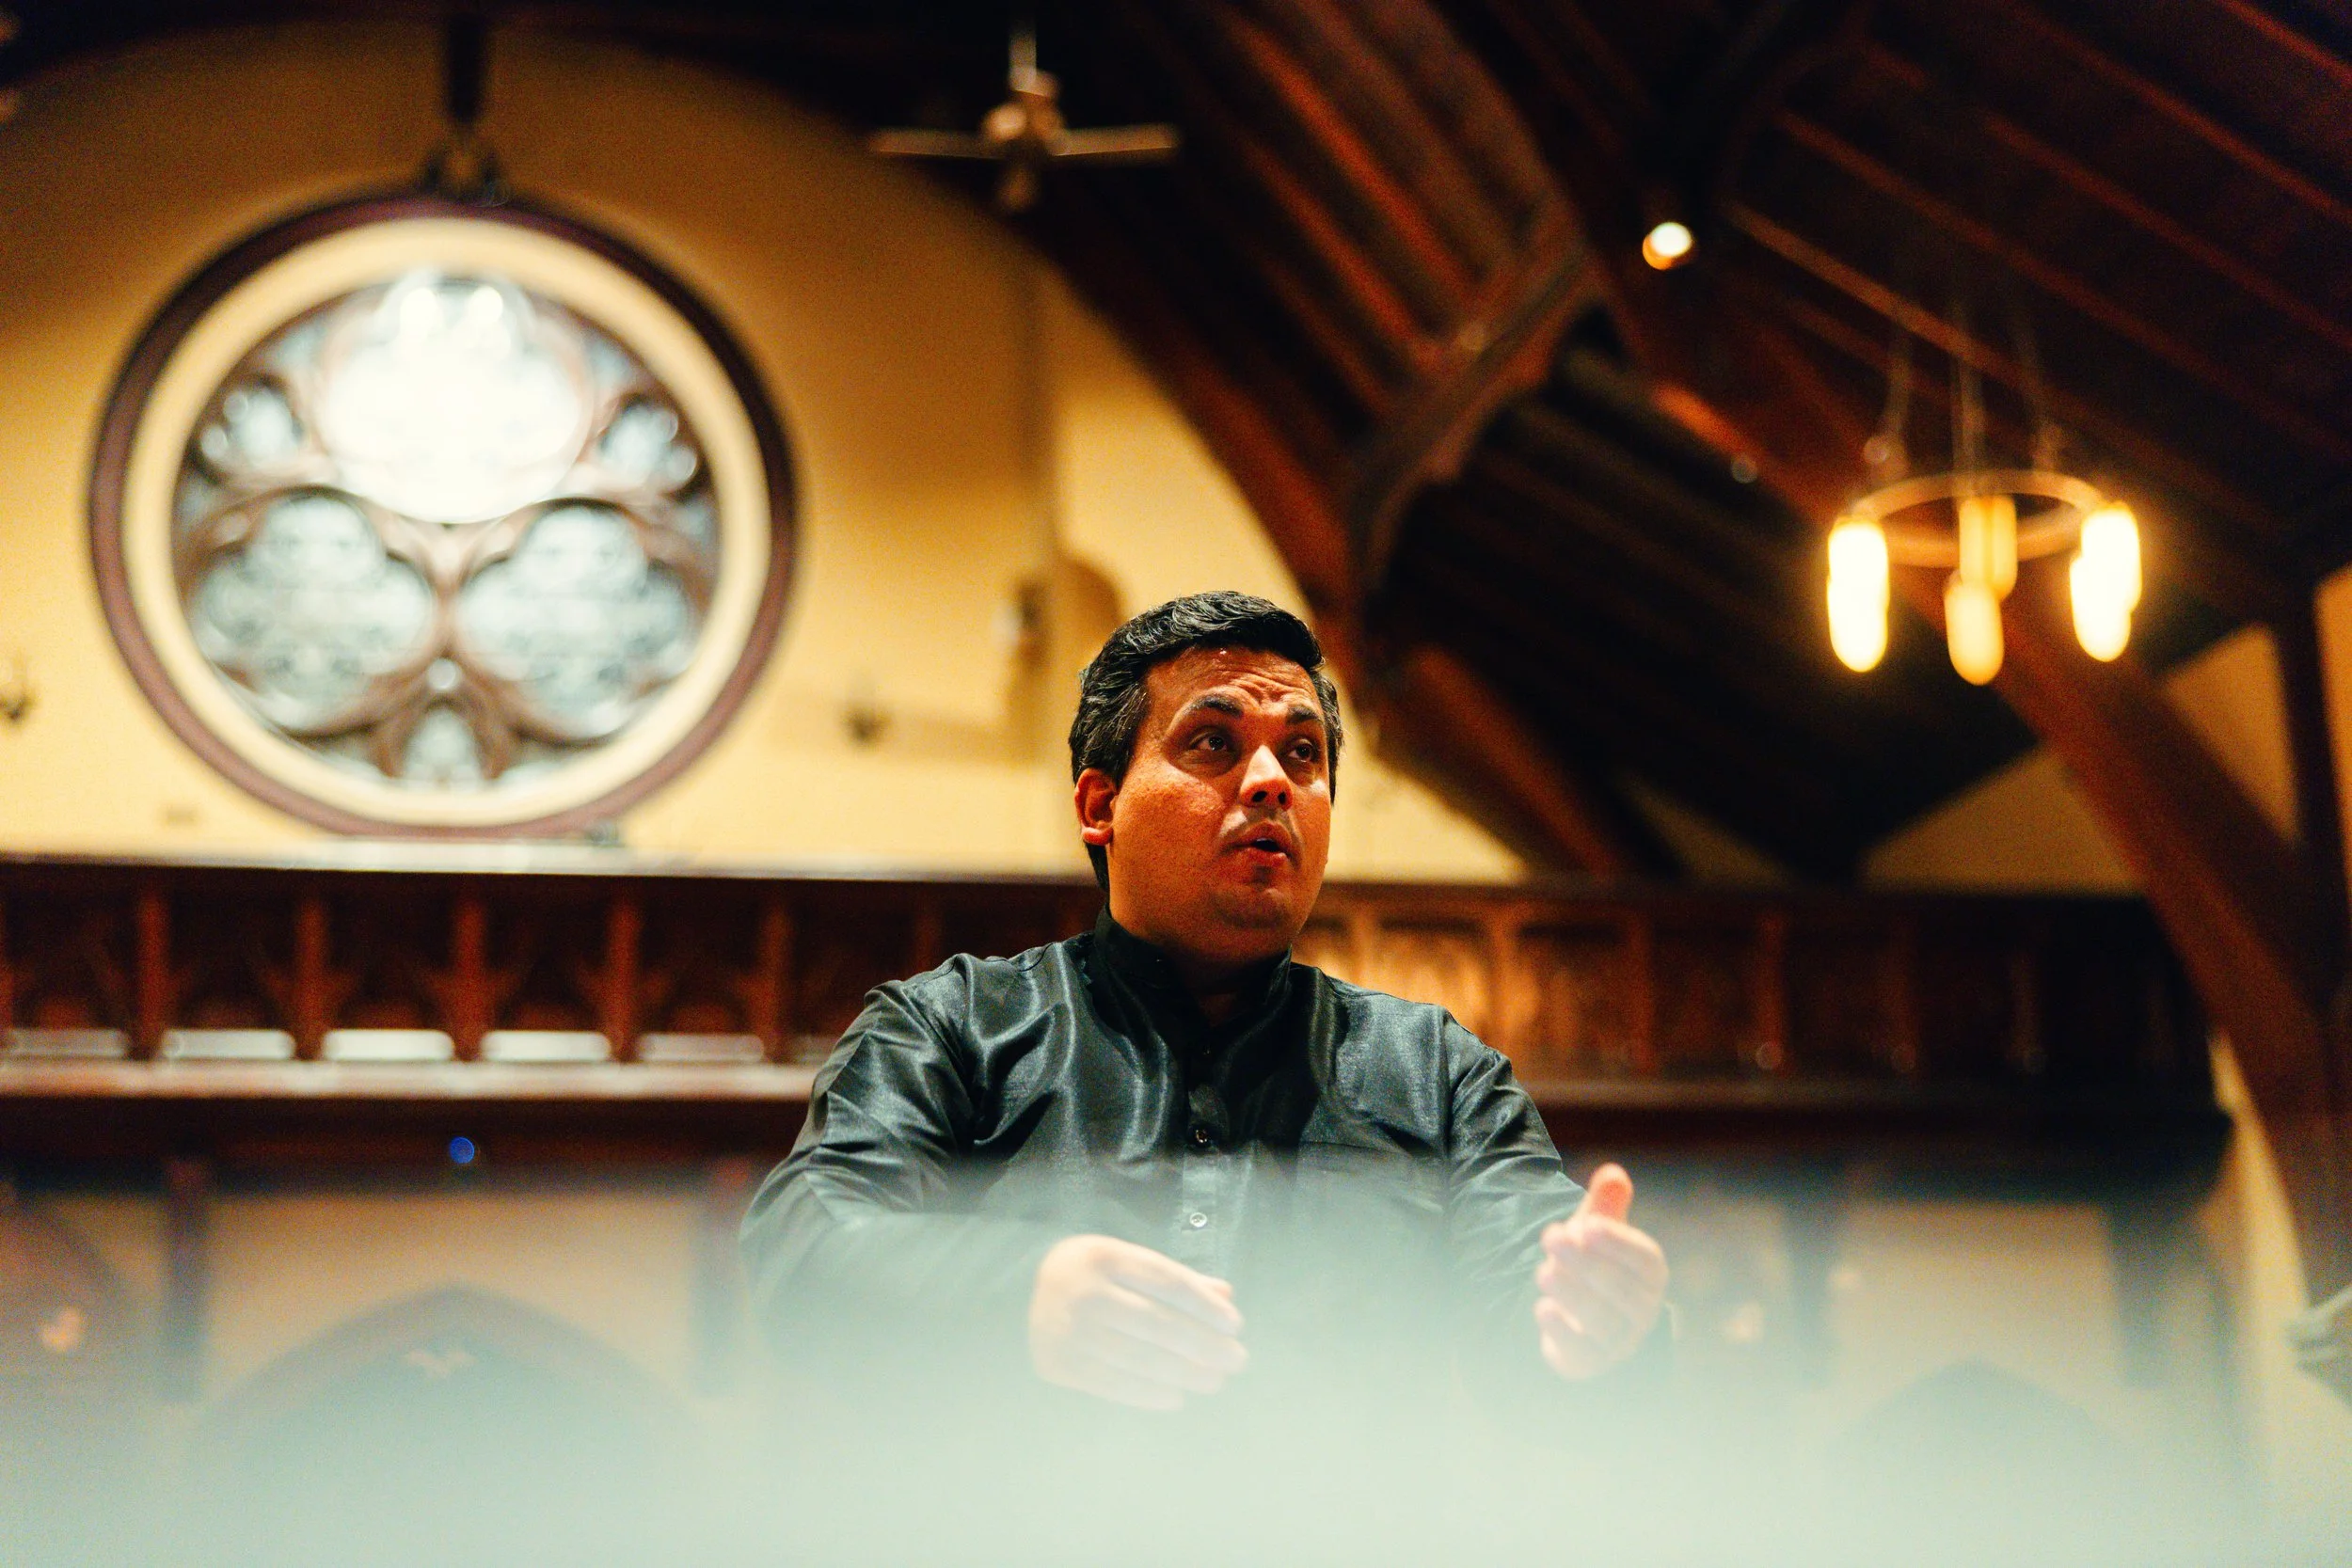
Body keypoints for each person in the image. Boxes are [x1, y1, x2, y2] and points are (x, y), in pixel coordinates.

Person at [738, 592, 1668, 1555]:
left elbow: (1539, 1323)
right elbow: (803, 1242)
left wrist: (1599, 1325)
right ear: (1100, 805)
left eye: (1302, 754)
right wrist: (1017, 1289)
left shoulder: (1437, 1070)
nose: (1270, 779)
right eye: (1213, 744)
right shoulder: (952, 1025)